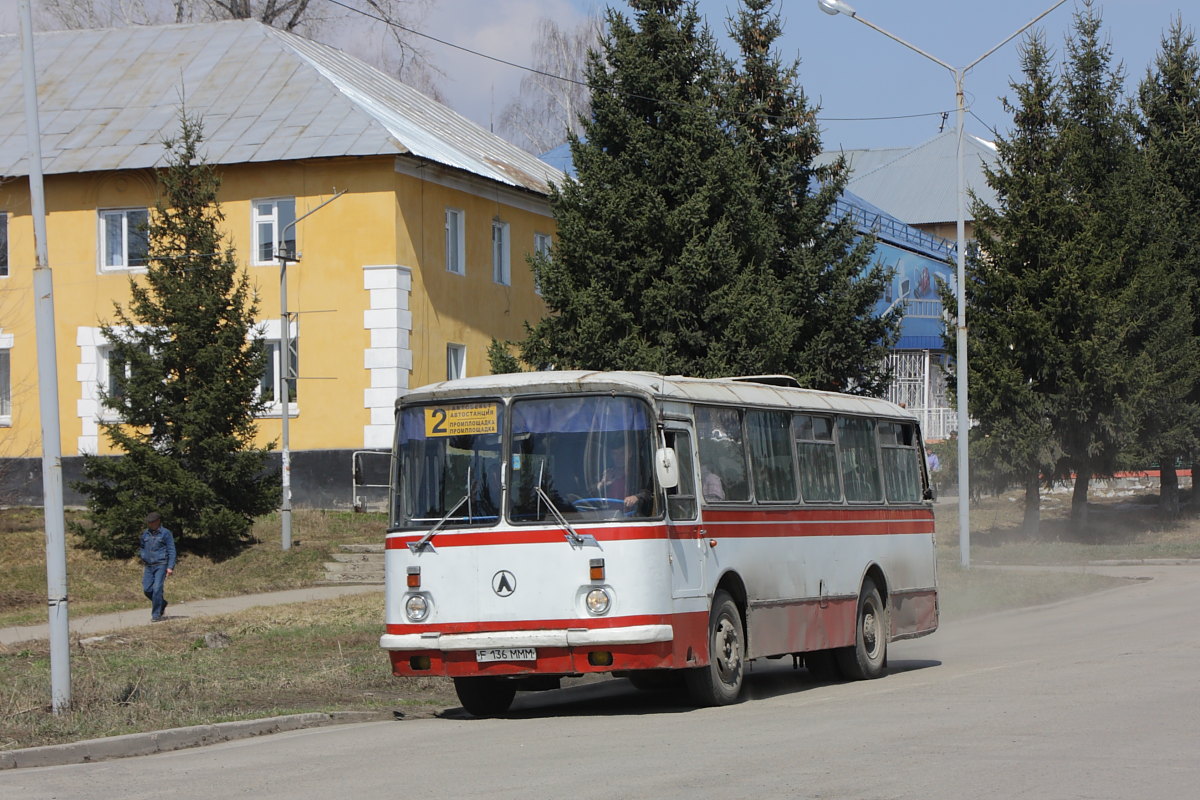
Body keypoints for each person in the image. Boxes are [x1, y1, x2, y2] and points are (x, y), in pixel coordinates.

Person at [139, 512, 176, 622]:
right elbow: (142, 546)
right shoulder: (145, 534)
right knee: (147, 589)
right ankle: (162, 603)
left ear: (158, 521)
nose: (150, 524)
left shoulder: (165, 533)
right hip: (149, 566)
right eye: (149, 522)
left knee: (157, 589)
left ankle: (156, 614)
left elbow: (171, 550)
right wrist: (143, 556)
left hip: (161, 564)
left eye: (152, 522)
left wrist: (170, 567)